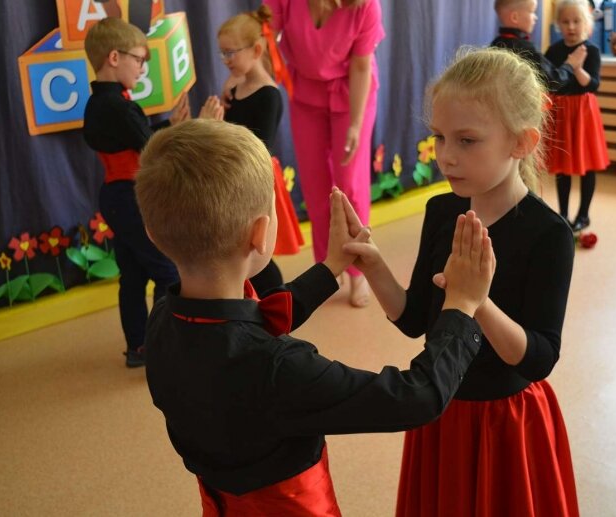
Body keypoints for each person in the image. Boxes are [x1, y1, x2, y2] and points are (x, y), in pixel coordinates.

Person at [135, 119, 495, 516]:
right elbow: (416, 397)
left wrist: (331, 268)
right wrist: (461, 306)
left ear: (152, 233)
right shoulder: (278, 368)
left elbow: (258, 318)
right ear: (261, 233)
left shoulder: (164, 318)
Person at [342, 47, 579, 516]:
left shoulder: (548, 235)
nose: (445, 157)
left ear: (521, 143)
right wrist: (373, 265)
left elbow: (536, 359)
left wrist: (477, 301)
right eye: (439, 138)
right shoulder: (442, 210)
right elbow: (415, 320)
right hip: (440, 408)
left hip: (505, 423)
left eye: (467, 141)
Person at [246, 0, 385, 307]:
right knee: (315, 183)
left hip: (352, 94)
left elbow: (362, 65)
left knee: (350, 187)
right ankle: (328, 268)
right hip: (306, 92)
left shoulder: (365, 7)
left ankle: (357, 272)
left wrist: (356, 125)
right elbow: (263, 32)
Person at [82, 17, 189, 367]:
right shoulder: (122, 107)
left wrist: (169, 125)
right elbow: (151, 148)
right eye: (140, 60)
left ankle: (139, 346)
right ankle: (162, 345)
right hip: (131, 197)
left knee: (132, 275)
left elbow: (136, 135)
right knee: (167, 271)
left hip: (116, 196)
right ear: (115, 58)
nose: (143, 68)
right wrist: (183, 134)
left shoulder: (98, 104)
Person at [214, 5, 304, 294]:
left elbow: (257, 147)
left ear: (255, 50)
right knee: (241, 248)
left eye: (231, 53)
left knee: (258, 250)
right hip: (235, 176)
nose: (226, 60)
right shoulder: (235, 87)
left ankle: (278, 299)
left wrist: (215, 128)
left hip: (254, 178)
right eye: (222, 53)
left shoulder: (268, 95)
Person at [544, 0, 609, 231]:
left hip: (583, 112)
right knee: (563, 166)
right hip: (561, 112)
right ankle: (562, 213)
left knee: (587, 165)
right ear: (558, 24)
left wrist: (577, 67)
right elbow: (549, 80)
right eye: (565, 21)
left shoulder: (591, 50)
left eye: (576, 21)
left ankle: (583, 215)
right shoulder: (553, 50)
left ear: (586, 22)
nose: (571, 26)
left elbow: (592, 85)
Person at [491, 0, 584, 91]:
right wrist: (570, 65)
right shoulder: (526, 48)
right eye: (532, 12)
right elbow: (554, 81)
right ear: (515, 17)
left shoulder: (495, 44)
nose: (536, 18)